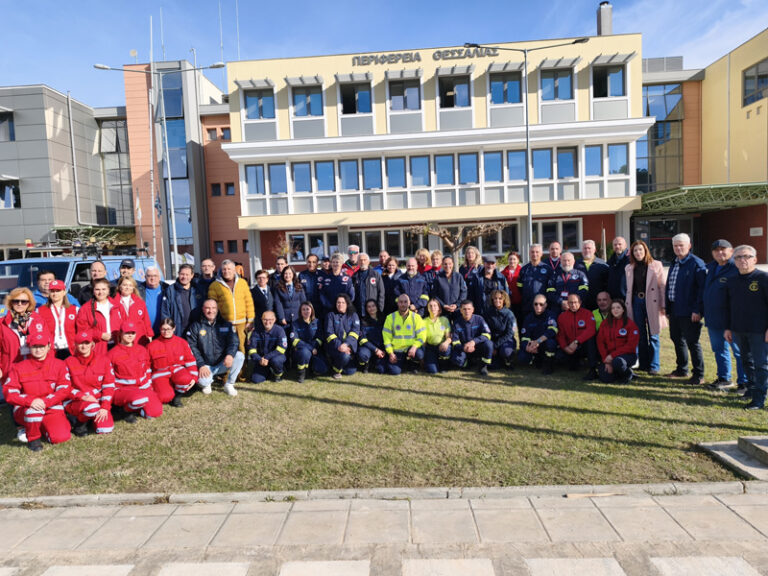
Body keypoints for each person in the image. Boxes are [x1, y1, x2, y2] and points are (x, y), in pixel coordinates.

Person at [3, 328, 71, 451]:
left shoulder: (59, 365)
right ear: (29, 347)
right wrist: (30, 401)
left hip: (51, 407)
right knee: (33, 413)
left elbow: (64, 389)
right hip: (27, 408)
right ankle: (33, 439)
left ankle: (39, 426)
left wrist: (46, 402)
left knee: (61, 437)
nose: (38, 350)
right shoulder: (18, 367)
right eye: (35, 346)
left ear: (49, 346)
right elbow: (9, 392)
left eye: (42, 346)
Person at [725, 245, 768, 409]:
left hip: (759, 331)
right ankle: (751, 389)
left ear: (755, 259)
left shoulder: (763, 278)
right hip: (739, 329)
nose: (742, 260)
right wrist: (728, 327)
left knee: (761, 364)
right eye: (738, 257)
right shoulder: (732, 280)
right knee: (746, 361)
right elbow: (729, 307)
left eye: (747, 256)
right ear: (734, 261)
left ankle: (759, 399)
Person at [665, 233, 707, 385]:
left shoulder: (696, 263)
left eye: (681, 245)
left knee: (692, 342)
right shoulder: (674, 262)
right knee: (677, 339)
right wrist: (668, 309)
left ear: (689, 246)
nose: (678, 248)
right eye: (675, 245)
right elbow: (670, 286)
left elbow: (702, 289)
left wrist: (698, 310)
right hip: (675, 309)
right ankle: (682, 369)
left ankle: (699, 375)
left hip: (690, 311)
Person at [704, 240, 745, 390]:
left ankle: (744, 382)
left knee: (739, 352)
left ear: (731, 251)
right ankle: (724, 378)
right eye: (716, 250)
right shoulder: (710, 268)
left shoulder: (736, 268)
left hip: (732, 319)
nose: (719, 252)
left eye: (723, 249)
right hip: (713, 317)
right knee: (719, 349)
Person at [186, 299, 245, 397]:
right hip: (205, 366)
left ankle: (229, 384)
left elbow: (234, 342)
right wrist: (201, 365)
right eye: (207, 308)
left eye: (213, 308)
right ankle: (207, 382)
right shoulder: (195, 326)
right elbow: (192, 347)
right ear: (203, 309)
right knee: (204, 383)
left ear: (217, 309)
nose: (211, 311)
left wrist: (230, 355)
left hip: (222, 363)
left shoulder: (226, 324)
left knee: (239, 356)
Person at [625, 240, 666, 376]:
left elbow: (662, 286)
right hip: (636, 301)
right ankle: (644, 364)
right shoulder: (629, 267)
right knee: (640, 334)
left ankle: (654, 365)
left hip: (652, 302)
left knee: (654, 334)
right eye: (635, 250)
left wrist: (663, 305)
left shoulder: (656, 265)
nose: (638, 252)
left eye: (640, 250)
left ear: (645, 251)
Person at [109, 321, 163, 420]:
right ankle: (126, 410)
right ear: (120, 333)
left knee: (156, 412)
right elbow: (108, 378)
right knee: (138, 399)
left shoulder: (142, 350)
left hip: (143, 387)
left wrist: (149, 387)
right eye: (127, 333)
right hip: (124, 389)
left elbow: (147, 370)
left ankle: (137, 406)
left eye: (132, 333)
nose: (130, 335)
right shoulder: (112, 354)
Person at [65, 330, 116, 436]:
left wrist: (105, 407)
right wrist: (82, 396)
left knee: (105, 429)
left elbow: (109, 386)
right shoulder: (67, 362)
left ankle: (90, 418)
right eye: (80, 343)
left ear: (92, 344)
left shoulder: (104, 360)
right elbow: (65, 388)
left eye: (87, 343)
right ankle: (80, 421)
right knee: (92, 409)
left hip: (97, 400)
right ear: (75, 345)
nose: (84, 346)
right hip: (77, 401)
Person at [148, 318, 198, 407]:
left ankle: (177, 396)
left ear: (174, 328)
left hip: (177, 371)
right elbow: (146, 367)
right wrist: (149, 384)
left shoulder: (182, 342)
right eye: (163, 329)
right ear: (160, 329)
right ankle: (168, 389)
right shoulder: (151, 346)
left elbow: (190, 361)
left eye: (169, 329)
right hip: (160, 374)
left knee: (186, 378)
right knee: (164, 397)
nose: (166, 332)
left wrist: (194, 377)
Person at [208, 259, 255, 354]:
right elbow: (212, 305)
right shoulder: (214, 285)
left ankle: (243, 364)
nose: (226, 271)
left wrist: (250, 320)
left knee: (242, 348)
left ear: (234, 270)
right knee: (226, 349)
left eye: (229, 269)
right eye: (224, 269)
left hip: (241, 323)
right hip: (224, 323)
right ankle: (228, 364)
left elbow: (248, 302)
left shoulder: (242, 283)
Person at [597, 300, 640, 384]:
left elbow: (631, 346)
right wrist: (606, 360)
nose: (615, 310)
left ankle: (627, 374)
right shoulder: (605, 323)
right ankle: (622, 373)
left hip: (626, 356)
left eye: (618, 307)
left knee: (617, 362)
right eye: (613, 308)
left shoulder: (630, 324)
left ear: (623, 310)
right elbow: (600, 342)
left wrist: (612, 356)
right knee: (606, 378)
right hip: (608, 357)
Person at [556, 293, 598, 379]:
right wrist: (565, 348)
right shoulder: (562, 317)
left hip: (583, 346)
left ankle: (593, 370)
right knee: (560, 357)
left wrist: (577, 341)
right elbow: (560, 335)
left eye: (575, 302)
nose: (573, 305)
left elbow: (591, 330)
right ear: (567, 303)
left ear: (580, 302)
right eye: (571, 302)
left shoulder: (588, 313)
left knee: (591, 340)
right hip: (570, 348)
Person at [76, 278, 122, 356]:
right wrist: (99, 335)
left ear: (108, 290)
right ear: (93, 291)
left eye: (104, 289)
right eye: (97, 289)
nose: (101, 292)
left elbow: (124, 324)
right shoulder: (85, 309)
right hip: (98, 346)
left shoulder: (117, 306)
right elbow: (82, 330)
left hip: (117, 345)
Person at [382, 294, 425, 375]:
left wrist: (414, 347)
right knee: (394, 372)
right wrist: (390, 353)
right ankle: (404, 364)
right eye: (401, 302)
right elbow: (386, 338)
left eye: (405, 302)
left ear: (409, 303)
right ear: (397, 303)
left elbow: (422, 336)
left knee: (419, 354)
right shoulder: (390, 318)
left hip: (411, 349)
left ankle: (413, 364)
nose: (403, 304)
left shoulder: (416, 317)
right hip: (397, 350)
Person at [450, 299, 493, 377]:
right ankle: (467, 363)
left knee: (489, 344)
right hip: (464, 349)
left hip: (477, 346)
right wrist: (464, 347)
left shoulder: (479, 319)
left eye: (469, 309)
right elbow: (455, 341)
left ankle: (483, 366)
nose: (467, 311)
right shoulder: (456, 323)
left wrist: (474, 342)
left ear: (473, 310)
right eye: (464, 309)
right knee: (456, 359)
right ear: (460, 310)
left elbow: (487, 334)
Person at [518, 294, 558, 374]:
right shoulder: (528, 317)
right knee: (522, 358)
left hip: (544, 344)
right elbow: (524, 337)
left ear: (546, 305)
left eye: (541, 304)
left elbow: (552, 331)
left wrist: (538, 341)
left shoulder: (550, 315)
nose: (538, 306)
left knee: (551, 343)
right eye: (535, 304)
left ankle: (549, 364)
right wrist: (527, 347)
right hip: (533, 346)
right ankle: (536, 358)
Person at [37, 280, 78, 359]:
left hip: (71, 350)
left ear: (64, 292)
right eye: (52, 291)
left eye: (58, 291)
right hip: (51, 351)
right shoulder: (40, 311)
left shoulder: (74, 310)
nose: (55, 294)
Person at [161, 264, 205, 337]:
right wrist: (168, 329)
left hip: (195, 331)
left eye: (187, 274)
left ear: (192, 275)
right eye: (182, 274)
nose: (184, 277)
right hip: (177, 331)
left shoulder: (198, 290)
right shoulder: (170, 290)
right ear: (178, 274)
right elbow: (165, 312)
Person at [290, 301, 328, 382]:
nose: (306, 311)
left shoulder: (317, 322)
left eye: (308, 309)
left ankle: (311, 368)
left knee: (322, 369)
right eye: (303, 309)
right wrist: (310, 348)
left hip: (315, 349)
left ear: (312, 310)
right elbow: (294, 340)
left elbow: (320, 338)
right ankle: (301, 373)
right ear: (300, 311)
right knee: (304, 353)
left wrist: (314, 347)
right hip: (302, 350)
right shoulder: (295, 323)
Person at [325, 294, 360, 379]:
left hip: (349, 347)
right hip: (335, 347)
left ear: (347, 304)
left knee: (350, 371)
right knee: (345, 356)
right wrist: (340, 345)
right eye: (338, 302)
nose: (340, 304)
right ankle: (335, 370)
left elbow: (355, 332)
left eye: (343, 303)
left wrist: (346, 344)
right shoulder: (331, 315)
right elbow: (329, 333)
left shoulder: (354, 315)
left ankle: (338, 364)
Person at [248, 310, 288, 383]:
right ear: (261, 320)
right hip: (262, 360)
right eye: (265, 319)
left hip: (275, 357)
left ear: (274, 320)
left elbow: (282, 348)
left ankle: (278, 374)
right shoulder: (256, 331)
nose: (267, 322)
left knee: (276, 361)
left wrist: (267, 357)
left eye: (270, 320)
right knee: (256, 380)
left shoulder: (279, 330)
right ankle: (268, 372)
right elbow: (251, 349)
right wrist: (259, 359)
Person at [113, 276, 153, 347]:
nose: (127, 287)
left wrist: (149, 334)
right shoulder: (113, 303)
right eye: (125, 285)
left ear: (133, 288)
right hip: (123, 338)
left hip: (139, 337)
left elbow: (146, 320)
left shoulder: (140, 302)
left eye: (130, 285)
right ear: (119, 287)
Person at [517, 243, 553, 316]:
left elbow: (551, 288)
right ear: (529, 253)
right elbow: (520, 286)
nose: (534, 254)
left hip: (542, 305)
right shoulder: (524, 269)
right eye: (532, 252)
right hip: (527, 305)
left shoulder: (548, 269)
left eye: (537, 252)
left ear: (541, 254)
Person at [485, 290, 517, 371]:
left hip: (506, 340)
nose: (497, 300)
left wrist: (495, 346)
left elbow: (510, 333)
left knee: (506, 351)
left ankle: (509, 359)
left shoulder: (509, 314)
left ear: (504, 300)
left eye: (500, 298)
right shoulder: (488, 313)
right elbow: (486, 330)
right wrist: (491, 345)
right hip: (493, 339)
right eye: (495, 298)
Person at [576, 240, 609, 310]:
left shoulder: (602, 264)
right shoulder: (576, 264)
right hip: (580, 301)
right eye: (585, 248)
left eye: (589, 248)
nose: (587, 250)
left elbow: (607, 282)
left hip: (598, 301)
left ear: (594, 250)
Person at [430, 255, 466, 320]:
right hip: (443, 310)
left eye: (450, 264)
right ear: (442, 265)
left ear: (453, 264)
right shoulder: (438, 278)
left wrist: (457, 305)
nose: (447, 266)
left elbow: (463, 292)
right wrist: (443, 305)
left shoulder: (458, 276)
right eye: (445, 264)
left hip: (457, 310)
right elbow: (434, 294)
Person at [422, 298, 452, 374]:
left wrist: (446, 343)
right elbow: (424, 340)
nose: (433, 308)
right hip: (430, 348)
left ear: (439, 308)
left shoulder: (444, 320)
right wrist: (423, 355)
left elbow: (449, 337)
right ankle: (433, 361)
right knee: (432, 371)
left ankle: (444, 365)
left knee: (446, 350)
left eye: (435, 306)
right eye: (430, 306)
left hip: (441, 346)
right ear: (427, 308)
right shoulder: (424, 321)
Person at [357, 299, 387, 374]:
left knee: (381, 370)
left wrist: (385, 349)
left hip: (381, 348)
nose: (371, 308)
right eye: (369, 307)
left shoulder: (384, 319)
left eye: (373, 306)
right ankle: (366, 364)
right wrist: (375, 350)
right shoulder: (363, 321)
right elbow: (362, 339)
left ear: (377, 307)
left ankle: (375, 363)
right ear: (366, 309)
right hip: (369, 347)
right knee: (362, 354)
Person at [274, 266, 306, 331]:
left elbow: (303, 302)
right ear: (283, 275)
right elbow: (278, 304)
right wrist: (281, 318)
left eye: (290, 273)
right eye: (285, 273)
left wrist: (303, 316)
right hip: (285, 320)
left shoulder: (299, 286)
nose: (287, 275)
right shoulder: (278, 287)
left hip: (298, 318)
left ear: (293, 274)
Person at [141, 267, 167, 336]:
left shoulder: (167, 289)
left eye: (155, 276)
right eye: (149, 276)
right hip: (144, 332)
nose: (152, 278)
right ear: (145, 277)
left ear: (159, 277)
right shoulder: (138, 290)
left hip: (163, 332)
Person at [501, 252, 523, 326]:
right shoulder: (503, 273)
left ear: (518, 260)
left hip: (520, 301)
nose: (512, 261)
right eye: (510, 259)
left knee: (520, 322)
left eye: (514, 259)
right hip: (507, 302)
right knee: (508, 322)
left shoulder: (522, 271)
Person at [607, 236, 629, 300]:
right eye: (615, 245)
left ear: (625, 245)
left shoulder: (631, 260)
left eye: (620, 244)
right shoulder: (610, 261)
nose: (617, 246)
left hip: (627, 298)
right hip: (613, 298)